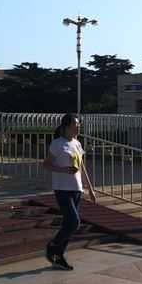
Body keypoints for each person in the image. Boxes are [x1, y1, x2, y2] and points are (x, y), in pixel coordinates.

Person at [43, 113, 94, 270]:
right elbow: (46, 165)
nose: (78, 126)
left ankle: (59, 256)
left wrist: (90, 189)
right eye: (75, 124)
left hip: (76, 189)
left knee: (69, 223)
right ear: (66, 126)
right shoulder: (57, 144)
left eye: (79, 124)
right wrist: (63, 170)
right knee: (74, 222)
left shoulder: (77, 144)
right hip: (62, 188)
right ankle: (53, 247)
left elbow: (82, 168)